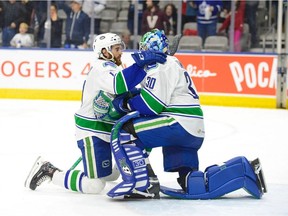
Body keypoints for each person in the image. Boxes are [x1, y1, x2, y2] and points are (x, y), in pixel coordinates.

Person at [105, 29, 267, 199]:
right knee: (193, 184)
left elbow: (152, 106)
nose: (142, 50)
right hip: (192, 129)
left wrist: (124, 104)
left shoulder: (159, 66)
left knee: (126, 130)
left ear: (152, 48)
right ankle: (243, 170)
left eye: (144, 47)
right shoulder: (172, 63)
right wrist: (135, 94)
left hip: (176, 124)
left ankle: (143, 184)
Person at [24, 32, 167, 194]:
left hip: (107, 130)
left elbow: (127, 91)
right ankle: (49, 171)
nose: (121, 52)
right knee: (94, 185)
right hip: (92, 131)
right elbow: (118, 85)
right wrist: (140, 65)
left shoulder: (114, 68)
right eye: (117, 48)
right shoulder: (102, 68)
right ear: (105, 52)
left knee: (112, 175)